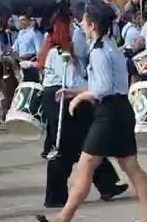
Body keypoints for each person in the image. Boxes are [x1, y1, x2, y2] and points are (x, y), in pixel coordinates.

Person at [35, 1, 147, 222]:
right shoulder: (110, 46)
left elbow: (102, 89)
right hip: (119, 109)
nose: (80, 24)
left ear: (92, 24)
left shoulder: (100, 51)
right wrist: (74, 91)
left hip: (109, 113)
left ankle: (64, 217)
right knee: (131, 166)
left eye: (83, 21)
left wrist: (78, 98)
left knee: (86, 165)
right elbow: (106, 85)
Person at [38, 11, 128, 207]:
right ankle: (56, 196)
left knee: (87, 143)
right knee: (66, 147)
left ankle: (107, 184)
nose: (75, 29)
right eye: (71, 26)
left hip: (66, 97)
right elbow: (70, 81)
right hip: (61, 98)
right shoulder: (60, 53)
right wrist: (90, 87)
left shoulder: (60, 50)